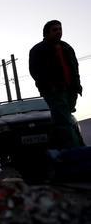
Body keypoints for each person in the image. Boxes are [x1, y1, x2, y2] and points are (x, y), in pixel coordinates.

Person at [29, 20, 83, 148]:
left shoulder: (67, 47)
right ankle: (74, 149)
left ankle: (58, 146)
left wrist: (77, 86)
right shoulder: (38, 49)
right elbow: (35, 71)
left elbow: (75, 67)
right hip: (54, 91)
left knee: (63, 119)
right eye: (55, 29)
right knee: (64, 120)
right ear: (46, 33)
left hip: (71, 89)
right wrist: (48, 87)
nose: (59, 31)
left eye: (60, 29)